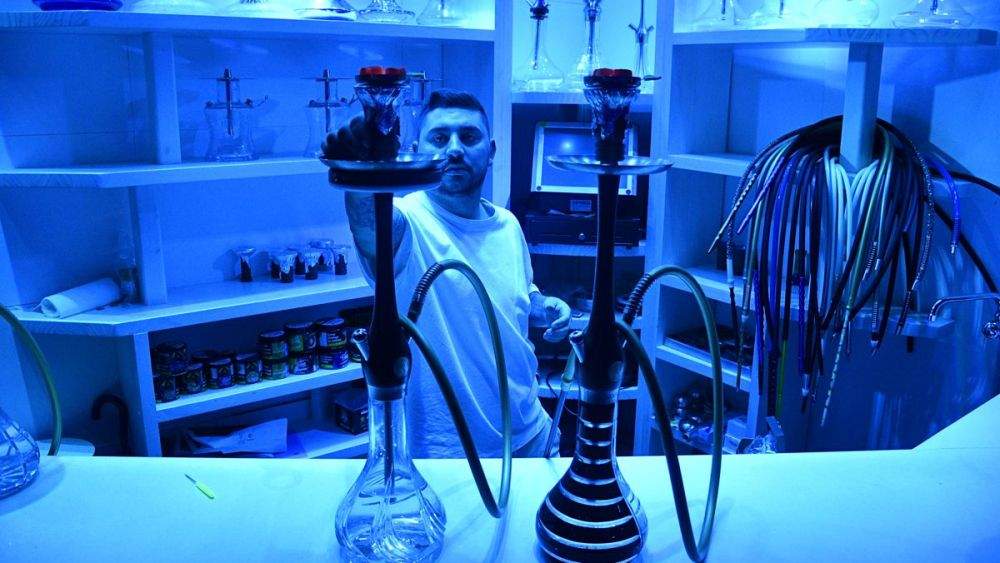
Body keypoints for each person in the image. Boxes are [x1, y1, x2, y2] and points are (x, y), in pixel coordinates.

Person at [325, 89, 570, 459]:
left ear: (491, 151)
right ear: (417, 149)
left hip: (532, 433)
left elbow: (517, 296)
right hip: (450, 454)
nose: (454, 149)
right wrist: (361, 172)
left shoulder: (507, 224)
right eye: (439, 138)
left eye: (468, 137)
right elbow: (368, 226)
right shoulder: (407, 220)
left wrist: (544, 306)